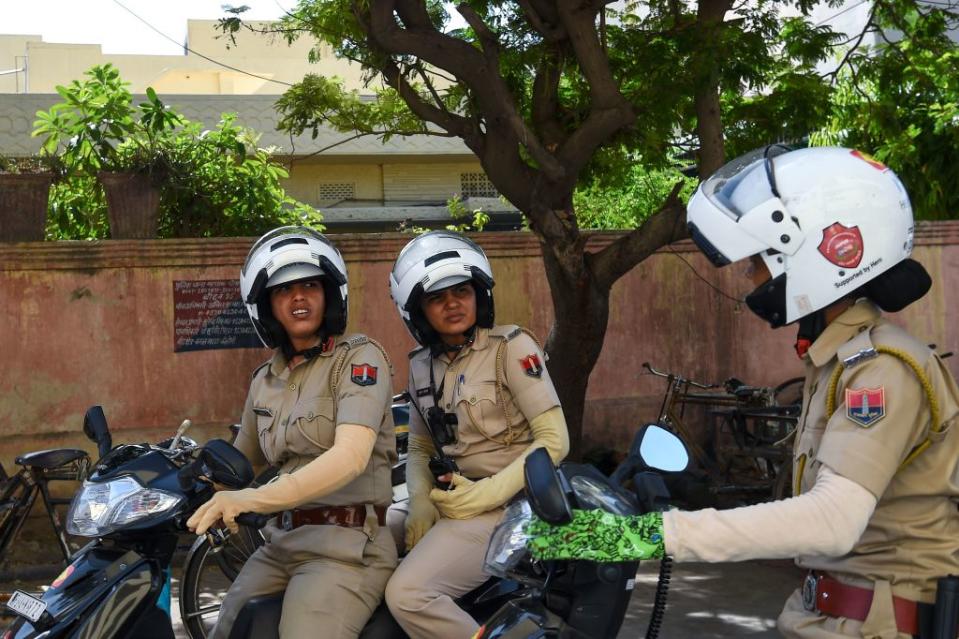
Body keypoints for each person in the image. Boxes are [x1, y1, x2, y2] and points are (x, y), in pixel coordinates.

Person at [525, 147, 959, 638]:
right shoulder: (835, 364)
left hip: (877, 624)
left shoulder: (881, 371)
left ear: (819, 255)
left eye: (758, 259)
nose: (748, 275)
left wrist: (653, 535)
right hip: (829, 613)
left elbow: (833, 520)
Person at [187, 226, 398, 639]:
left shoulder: (358, 359)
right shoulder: (266, 380)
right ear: (267, 307)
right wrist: (181, 484)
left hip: (347, 548)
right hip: (281, 543)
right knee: (228, 630)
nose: (298, 297)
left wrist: (252, 498)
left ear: (329, 295)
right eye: (283, 291)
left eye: (309, 286)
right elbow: (239, 464)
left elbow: (350, 457)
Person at [383, 231, 570, 638]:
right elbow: (419, 445)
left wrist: (484, 496)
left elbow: (554, 441)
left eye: (462, 291)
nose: (453, 304)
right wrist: (418, 502)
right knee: (367, 538)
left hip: (512, 507)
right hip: (455, 498)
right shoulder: (420, 367)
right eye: (437, 297)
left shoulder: (511, 348)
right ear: (418, 311)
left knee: (408, 593)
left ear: (479, 295)